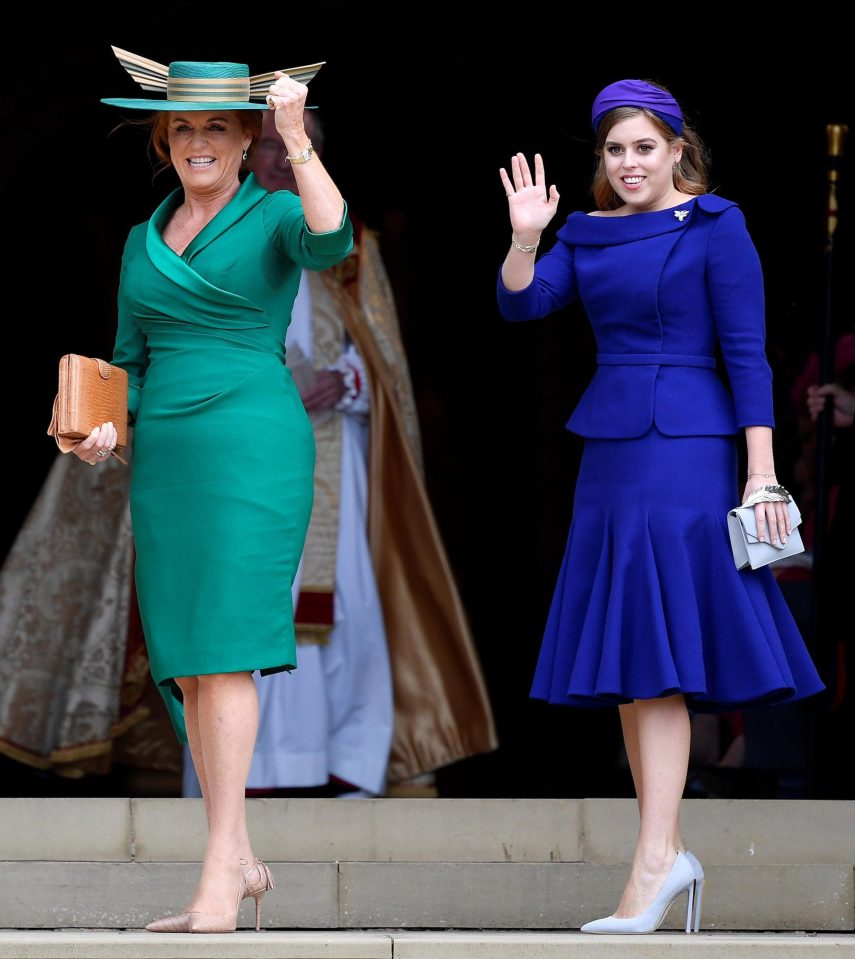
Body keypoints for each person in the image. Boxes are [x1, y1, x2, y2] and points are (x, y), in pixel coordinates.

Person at [496, 78, 824, 934]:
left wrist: (760, 472)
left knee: (658, 651)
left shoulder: (718, 226)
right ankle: (666, 850)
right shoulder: (587, 231)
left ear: (679, 149)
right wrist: (523, 240)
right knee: (630, 651)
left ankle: (651, 864)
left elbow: (746, 356)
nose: (629, 163)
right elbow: (522, 302)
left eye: (645, 146)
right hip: (610, 449)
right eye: (614, 150)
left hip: (689, 451)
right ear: (599, 160)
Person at [86, 49, 354, 933]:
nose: (197, 143)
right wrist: (101, 431)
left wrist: (297, 140)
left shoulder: (277, 210)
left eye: (215, 128)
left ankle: (217, 876)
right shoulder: (140, 239)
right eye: (183, 129)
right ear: (165, 142)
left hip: (250, 446)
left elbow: (334, 238)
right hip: (167, 463)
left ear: (244, 141)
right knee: (190, 664)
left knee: (227, 648)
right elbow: (127, 364)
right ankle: (233, 857)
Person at [234, 108, 496, 797]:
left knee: (340, 607)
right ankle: (250, 773)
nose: (275, 159)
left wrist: (345, 381)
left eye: (293, 147)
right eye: (263, 145)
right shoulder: (207, 235)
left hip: (331, 457)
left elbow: (386, 364)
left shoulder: (348, 245)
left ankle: (343, 763)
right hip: (240, 458)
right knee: (246, 609)